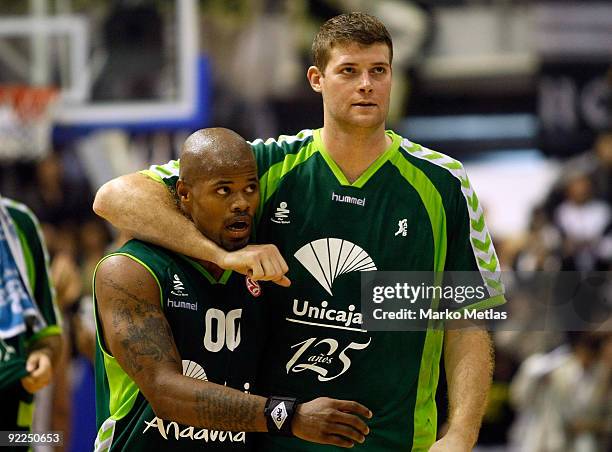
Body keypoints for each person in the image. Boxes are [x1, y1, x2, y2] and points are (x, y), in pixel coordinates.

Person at [94, 13, 506, 451]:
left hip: (394, 440)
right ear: (316, 79)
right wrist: (221, 255)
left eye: (378, 71)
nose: (365, 84)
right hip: (277, 438)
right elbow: (115, 196)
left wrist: (462, 432)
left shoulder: (443, 183)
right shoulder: (266, 165)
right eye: (349, 70)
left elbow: (466, 318)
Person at [93, 128, 372, 451]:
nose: (241, 203)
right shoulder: (132, 269)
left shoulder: (262, 271)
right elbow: (165, 392)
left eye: (250, 188)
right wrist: (289, 416)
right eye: (223, 191)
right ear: (184, 193)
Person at [0, 194, 62, 445]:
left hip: (11, 434)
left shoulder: (20, 223)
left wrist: (44, 357)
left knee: (52, 436)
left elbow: (48, 335)